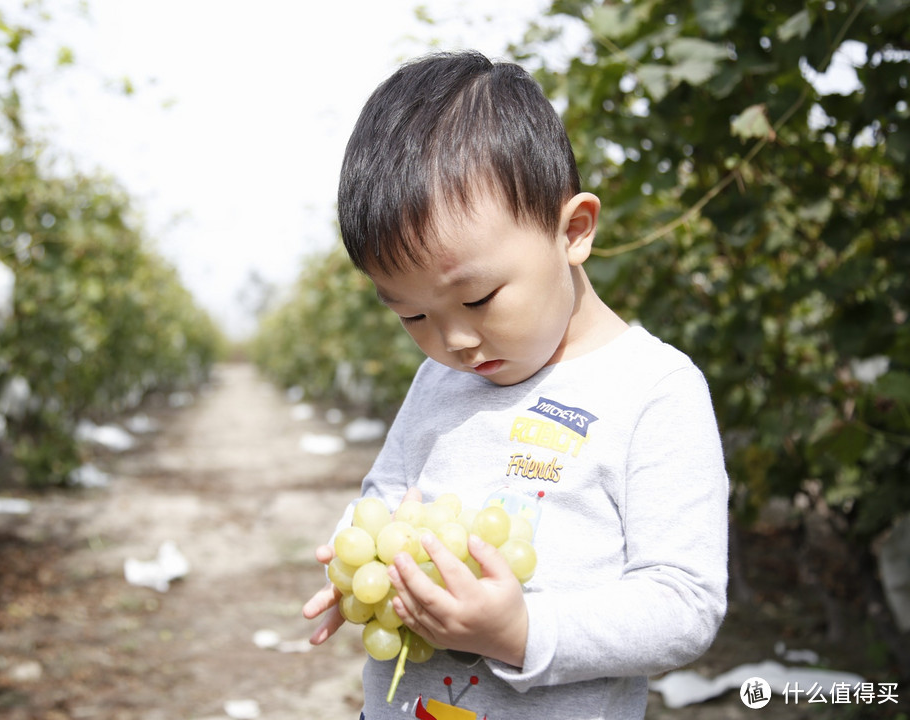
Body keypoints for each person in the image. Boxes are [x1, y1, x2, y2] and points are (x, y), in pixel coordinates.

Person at [302, 50, 728, 720]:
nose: (454, 341)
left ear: (574, 231)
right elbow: (387, 496)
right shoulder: (438, 381)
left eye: (478, 299)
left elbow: (684, 604)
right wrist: (356, 557)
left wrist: (522, 632)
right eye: (412, 315)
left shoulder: (654, 390)